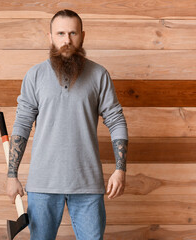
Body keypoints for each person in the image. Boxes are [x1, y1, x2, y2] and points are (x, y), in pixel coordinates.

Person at [7, 9, 128, 240]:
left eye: (73, 33)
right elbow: (22, 124)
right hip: (42, 184)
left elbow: (116, 120)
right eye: (60, 33)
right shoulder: (34, 75)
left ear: (83, 35)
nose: (67, 40)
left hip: (87, 184)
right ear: (50, 37)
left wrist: (120, 170)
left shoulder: (99, 75)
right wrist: (11, 174)